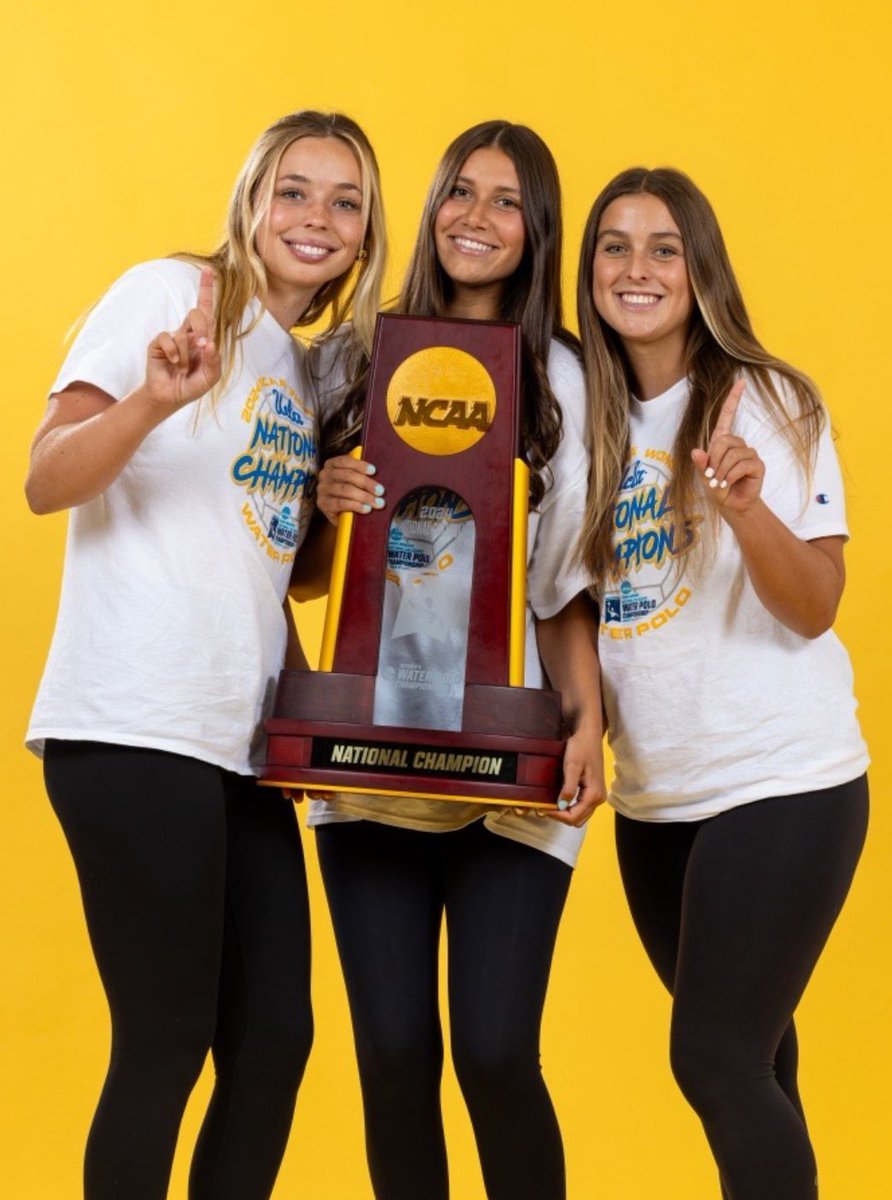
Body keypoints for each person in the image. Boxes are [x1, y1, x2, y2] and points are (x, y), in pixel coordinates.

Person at [24, 110, 385, 1200]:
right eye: (294, 190)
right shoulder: (168, 295)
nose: (314, 218)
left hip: (243, 743)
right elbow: (47, 479)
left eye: (344, 201)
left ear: (364, 235)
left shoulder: (306, 369)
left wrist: (322, 507)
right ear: (251, 199)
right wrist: (149, 400)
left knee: (275, 1043)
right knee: (166, 1041)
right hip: (134, 721)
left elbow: (279, 564)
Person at [306, 120, 602, 1200]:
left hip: (509, 758)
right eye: (460, 192)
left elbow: (562, 583)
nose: (476, 218)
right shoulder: (354, 353)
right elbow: (300, 575)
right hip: (366, 752)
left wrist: (586, 728)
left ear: (538, 231)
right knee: (391, 1057)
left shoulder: (565, 377)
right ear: (430, 207)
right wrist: (326, 509)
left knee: (490, 1050)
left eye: (507, 201)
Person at [576, 166, 869, 1200]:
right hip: (658, 800)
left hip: (781, 782)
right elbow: (566, 604)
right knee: (757, 1060)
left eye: (664, 247)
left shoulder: (770, 400)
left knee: (713, 1057)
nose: (638, 268)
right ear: (589, 270)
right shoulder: (585, 423)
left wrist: (747, 507)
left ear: (701, 270)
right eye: (615, 245)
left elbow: (815, 604)